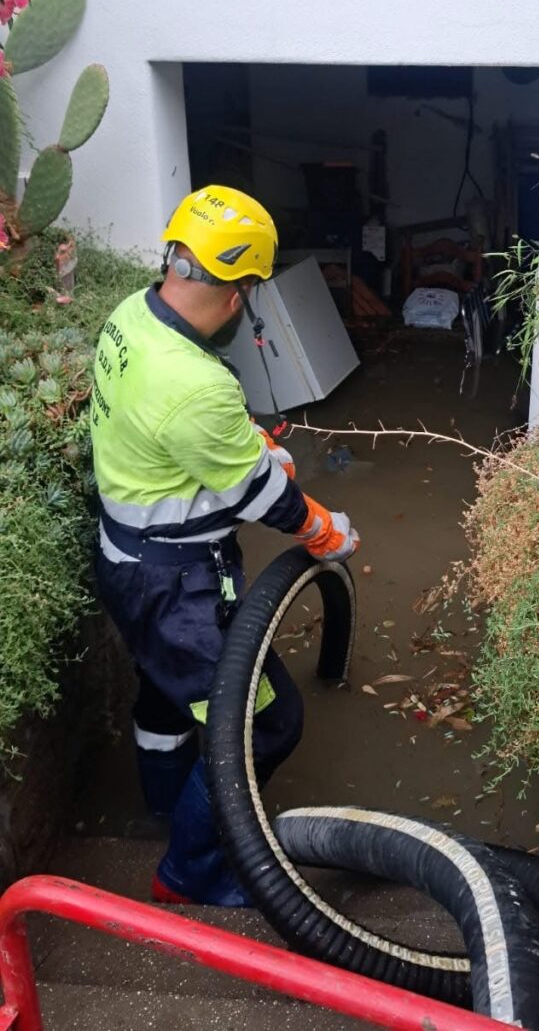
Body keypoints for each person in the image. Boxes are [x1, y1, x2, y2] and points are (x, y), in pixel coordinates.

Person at [90, 184, 359, 905]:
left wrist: (244, 445)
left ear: (177, 257)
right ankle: (191, 869)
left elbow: (173, 438)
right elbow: (261, 497)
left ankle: (164, 800)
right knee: (266, 720)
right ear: (238, 294)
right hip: (179, 587)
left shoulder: (128, 319)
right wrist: (321, 528)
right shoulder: (197, 383)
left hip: (126, 562)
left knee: (163, 689)